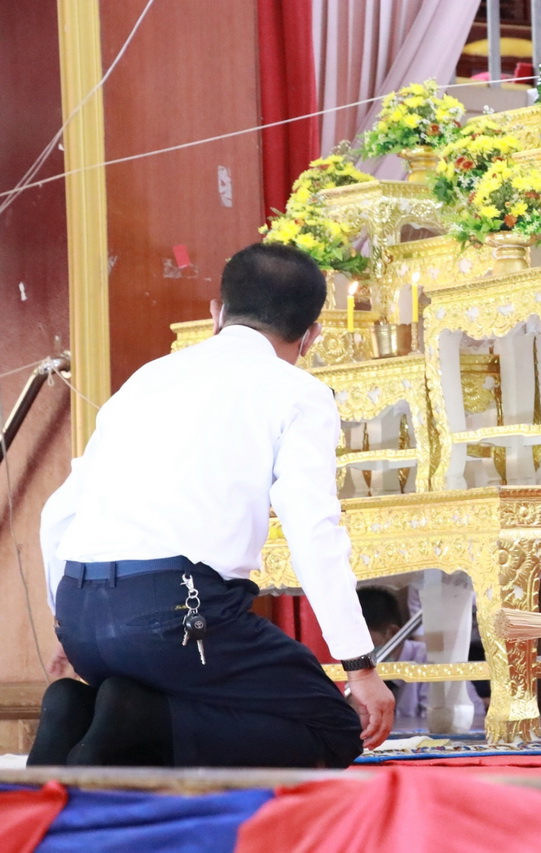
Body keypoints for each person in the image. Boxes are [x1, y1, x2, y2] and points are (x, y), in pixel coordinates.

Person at [30, 243, 394, 767]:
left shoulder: (147, 378)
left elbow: (58, 513)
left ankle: (77, 709)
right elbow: (312, 530)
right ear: (311, 335)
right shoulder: (298, 392)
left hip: (81, 614)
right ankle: (136, 720)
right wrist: (360, 666)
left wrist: (66, 623)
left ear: (216, 312)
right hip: (178, 616)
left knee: (190, 684)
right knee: (333, 728)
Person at [358, 586, 428, 719]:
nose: (356, 653)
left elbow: (440, 723)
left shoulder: (428, 662)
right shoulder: (347, 669)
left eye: (362, 644)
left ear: (393, 634)